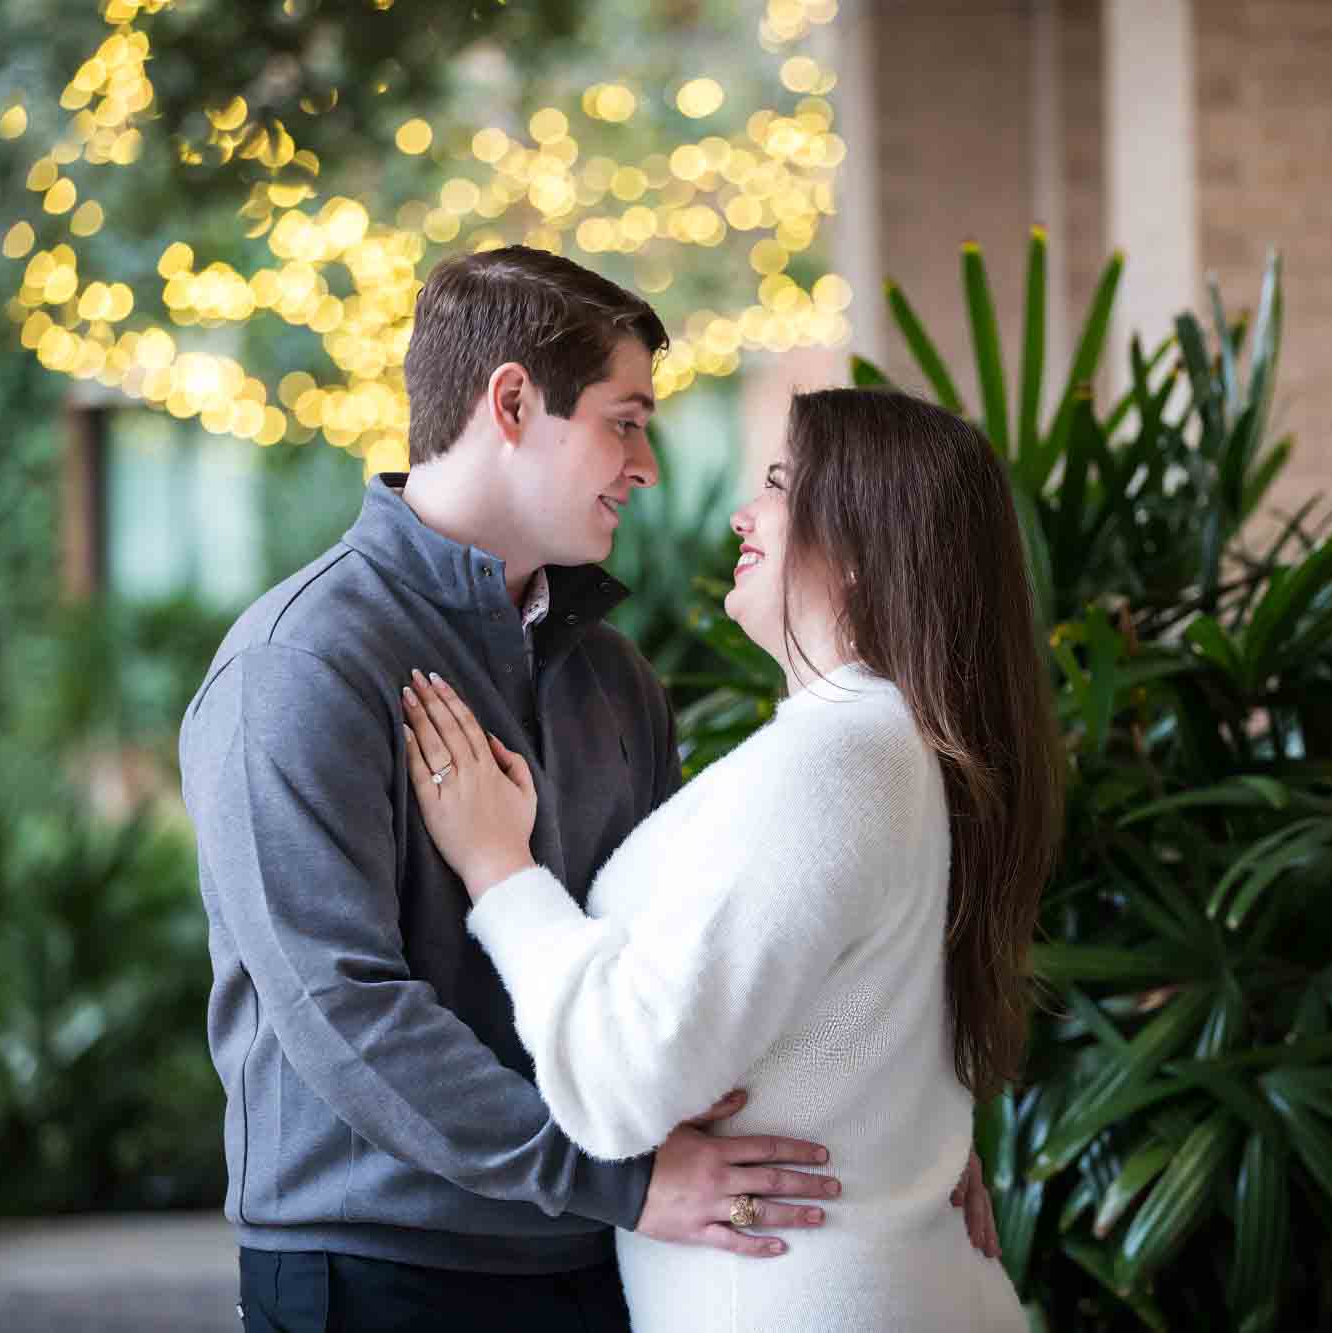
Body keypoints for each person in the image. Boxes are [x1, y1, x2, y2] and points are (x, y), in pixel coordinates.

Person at [179, 247, 856, 1333]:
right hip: (379, 1266)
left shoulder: (614, 678)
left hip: (599, 1258)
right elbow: (339, 1007)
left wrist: (913, 1143)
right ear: (509, 401)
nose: (646, 465)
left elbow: (669, 965)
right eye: (622, 420)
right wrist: (624, 1179)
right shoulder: (297, 664)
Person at [399, 386, 1064, 1331]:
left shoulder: (835, 759)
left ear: (868, 551)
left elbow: (624, 1084)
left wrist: (498, 870)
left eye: (783, 486)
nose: (743, 515)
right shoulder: (884, 744)